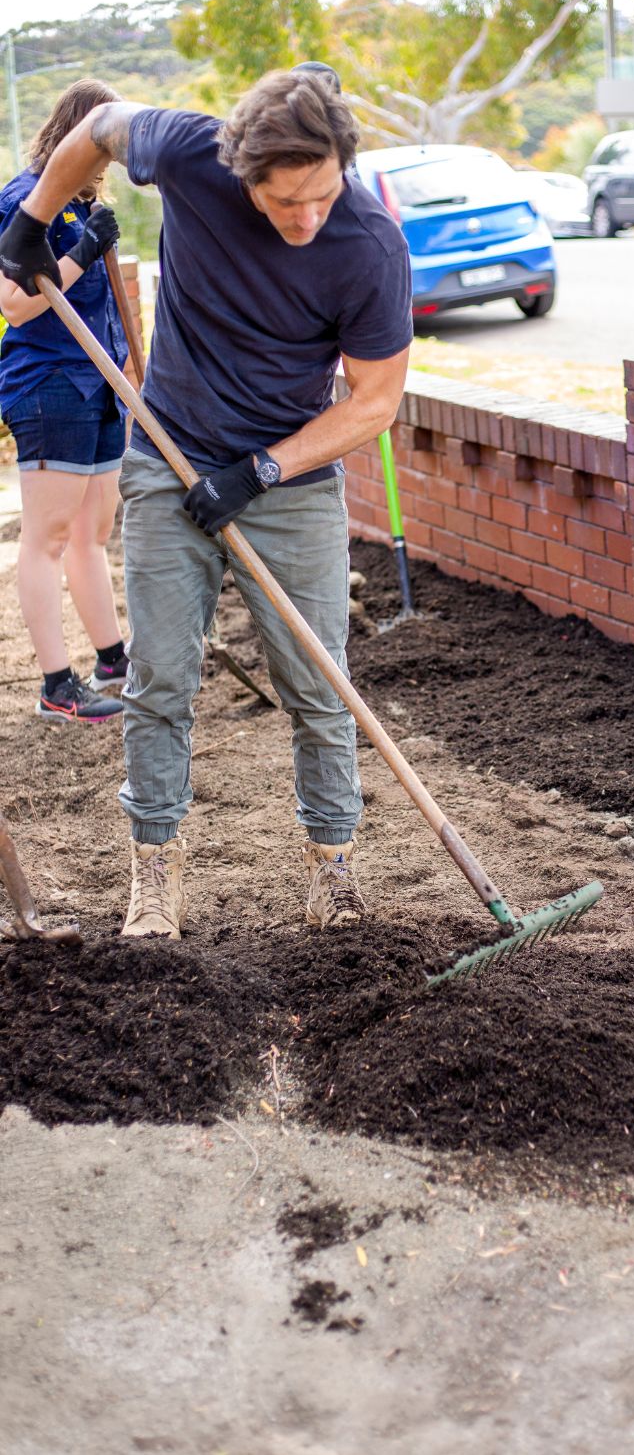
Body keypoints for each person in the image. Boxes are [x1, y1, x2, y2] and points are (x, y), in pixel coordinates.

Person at [0, 69, 412, 938]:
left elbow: (374, 404)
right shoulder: (189, 151)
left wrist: (261, 470)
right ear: (242, 174)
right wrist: (34, 221)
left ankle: (333, 869)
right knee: (158, 678)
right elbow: (100, 125)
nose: (307, 218)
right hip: (168, 454)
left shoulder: (369, 246)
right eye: (284, 200)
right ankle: (155, 872)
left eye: (323, 194)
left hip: (289, 480)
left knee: (319, 683)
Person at [0, 79, 130, 723]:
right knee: (47, 538)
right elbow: (16, 304)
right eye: (101, 149)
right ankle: (56, 686)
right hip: (51, 385)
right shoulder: (26, 202)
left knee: (92, 533)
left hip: (102, 384)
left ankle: (114, 661)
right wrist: (81, 251)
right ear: (77, 136)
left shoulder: (82, 202)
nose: (107, 164)